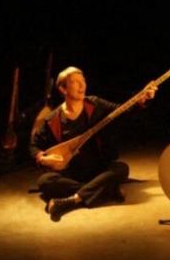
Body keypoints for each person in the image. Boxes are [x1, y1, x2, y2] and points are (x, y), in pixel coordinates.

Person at [30, 66, 156, 221]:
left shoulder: (95, 104)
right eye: (75, 82)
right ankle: (105, 189)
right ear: (63, 89)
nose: (82, 86)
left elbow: (123, 112)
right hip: (72, 172)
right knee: (44, 182)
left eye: (83, 81)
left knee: (121, 168)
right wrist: (41, 157)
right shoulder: (52, 119)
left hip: (98, 168)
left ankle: (72, 200)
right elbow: (33, 145)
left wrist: (141, 100)